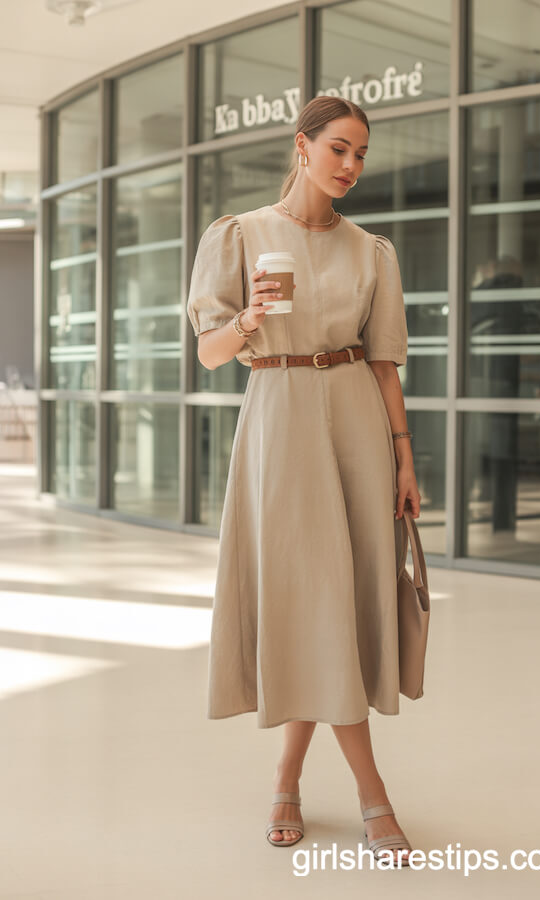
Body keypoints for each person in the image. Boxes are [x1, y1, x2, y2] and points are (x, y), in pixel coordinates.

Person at [187, 95, 421, 867]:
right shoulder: (240, 236)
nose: (352, 166)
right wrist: (250, 318)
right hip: (280, 421)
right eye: (340, 150)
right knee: (309, 602)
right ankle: (371, 792)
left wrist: (405, 456)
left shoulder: (371, 251)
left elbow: (384, 360)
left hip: (357, 420)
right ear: (303, 146)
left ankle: (287, 777)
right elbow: (212, 354)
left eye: (362, 154)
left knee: (340, 608)